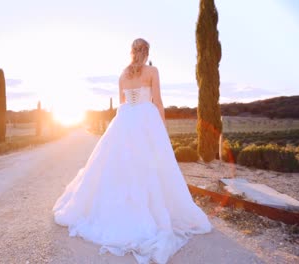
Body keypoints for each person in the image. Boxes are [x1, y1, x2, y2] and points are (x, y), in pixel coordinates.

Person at [53, 38, 212, 264]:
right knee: (150, 165)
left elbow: (122, 103)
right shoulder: (152, 71)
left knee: (120, 166)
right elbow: (157, 101)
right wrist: (162, 127)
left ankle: (120, 213)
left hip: (125, 119)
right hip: (146, 118)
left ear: (132, 52)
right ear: (146, 52)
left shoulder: (122, 75)